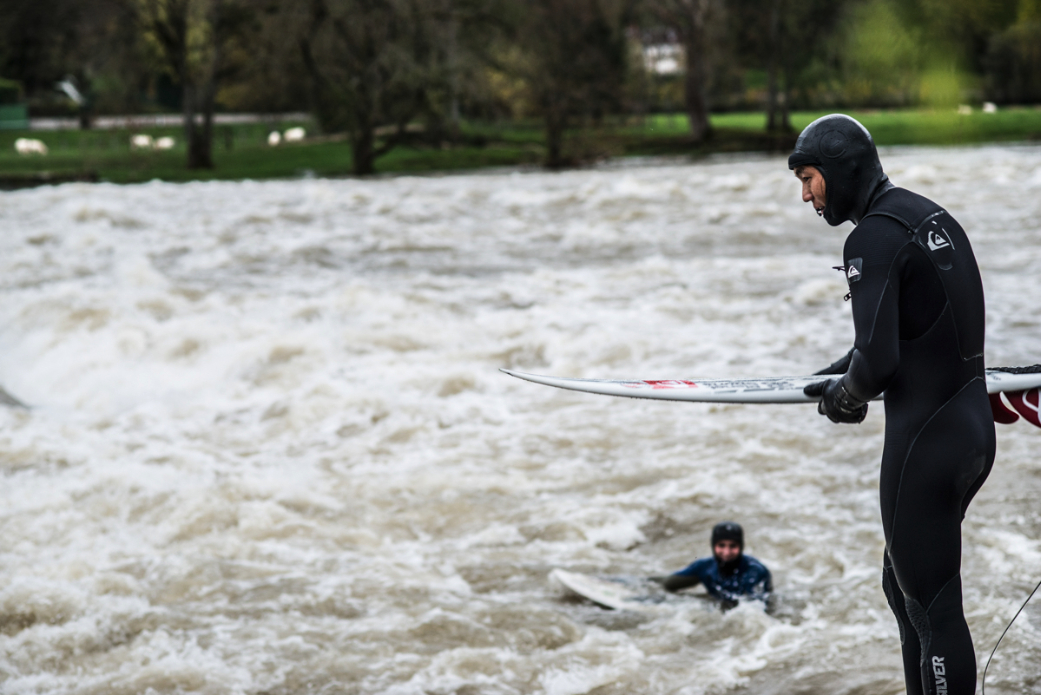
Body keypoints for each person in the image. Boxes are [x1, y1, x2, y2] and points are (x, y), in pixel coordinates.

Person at [793, 114, 995, 695]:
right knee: (904, 590)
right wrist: (840, 370)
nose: (806, 193)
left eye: (809, 177)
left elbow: (878, 365)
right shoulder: (928, 216)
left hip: (924, 446)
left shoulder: (872, 238)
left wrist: (847, 397)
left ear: (838, 170)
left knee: (933, 610)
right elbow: (913, 332)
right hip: (970, 431)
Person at [660, 521, 772, 605]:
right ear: (713, 546)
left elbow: (757, 610)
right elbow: (667, 584)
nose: (726, 552)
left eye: (733, 546)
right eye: (721, 545)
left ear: (741, 547)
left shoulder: (755, 572)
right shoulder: (704, 567)